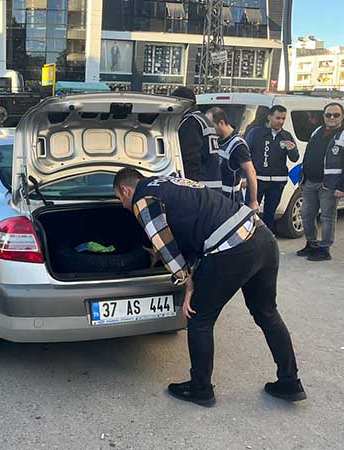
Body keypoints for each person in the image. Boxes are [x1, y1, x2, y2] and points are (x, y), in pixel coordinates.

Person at [113, 168, 305, 407]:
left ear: (125, 190)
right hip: (262, 237)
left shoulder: (143, 199)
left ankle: (200, 388)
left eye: (120, 199)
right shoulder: (169, 181)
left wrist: (187, 284)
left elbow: (165, 247)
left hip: (232, 248)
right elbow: (194, 226)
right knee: (267, 313)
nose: (122, 205)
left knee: (199, 317)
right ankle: (290, 382)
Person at [297, 103, 344, 262]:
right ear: (323, 116)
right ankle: (311, 244)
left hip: (330, 185)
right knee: (306, 215)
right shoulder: (317, 131)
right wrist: (302, 178)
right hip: (310, 182)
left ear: (342, 116)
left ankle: (324, 249)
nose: (331, 118)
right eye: (328, 115)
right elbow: (307, 155)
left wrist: (342, 186)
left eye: (336, 115)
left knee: (327, 217)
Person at [245, 105, 299, 231]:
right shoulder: (256, 133)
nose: (280, 121)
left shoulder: (286, 135)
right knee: (250, 212)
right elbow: (245, 154)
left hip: (277, 181)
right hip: (257, 180)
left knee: (270, 213)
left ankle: (267, 237)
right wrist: (244, 176)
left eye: (283, 119)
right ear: (269, 117)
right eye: (278, 118)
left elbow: (294, 158)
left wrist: (292, 150)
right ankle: (248, 237)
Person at [205, 107, 259, 209]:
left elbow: (251, 171)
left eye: (211, 126)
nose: (209, 129)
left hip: (230, 201)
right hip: (216, 198)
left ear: (221, 123)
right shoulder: (217, 140)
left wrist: (253, 201)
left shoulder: (238, 145)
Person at [171, 87, 220, 185]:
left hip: (199, 183)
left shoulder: (190, 122)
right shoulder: (203, 119)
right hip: (213, 180)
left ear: (183, 103)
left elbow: (190, 157)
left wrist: (188, 184)